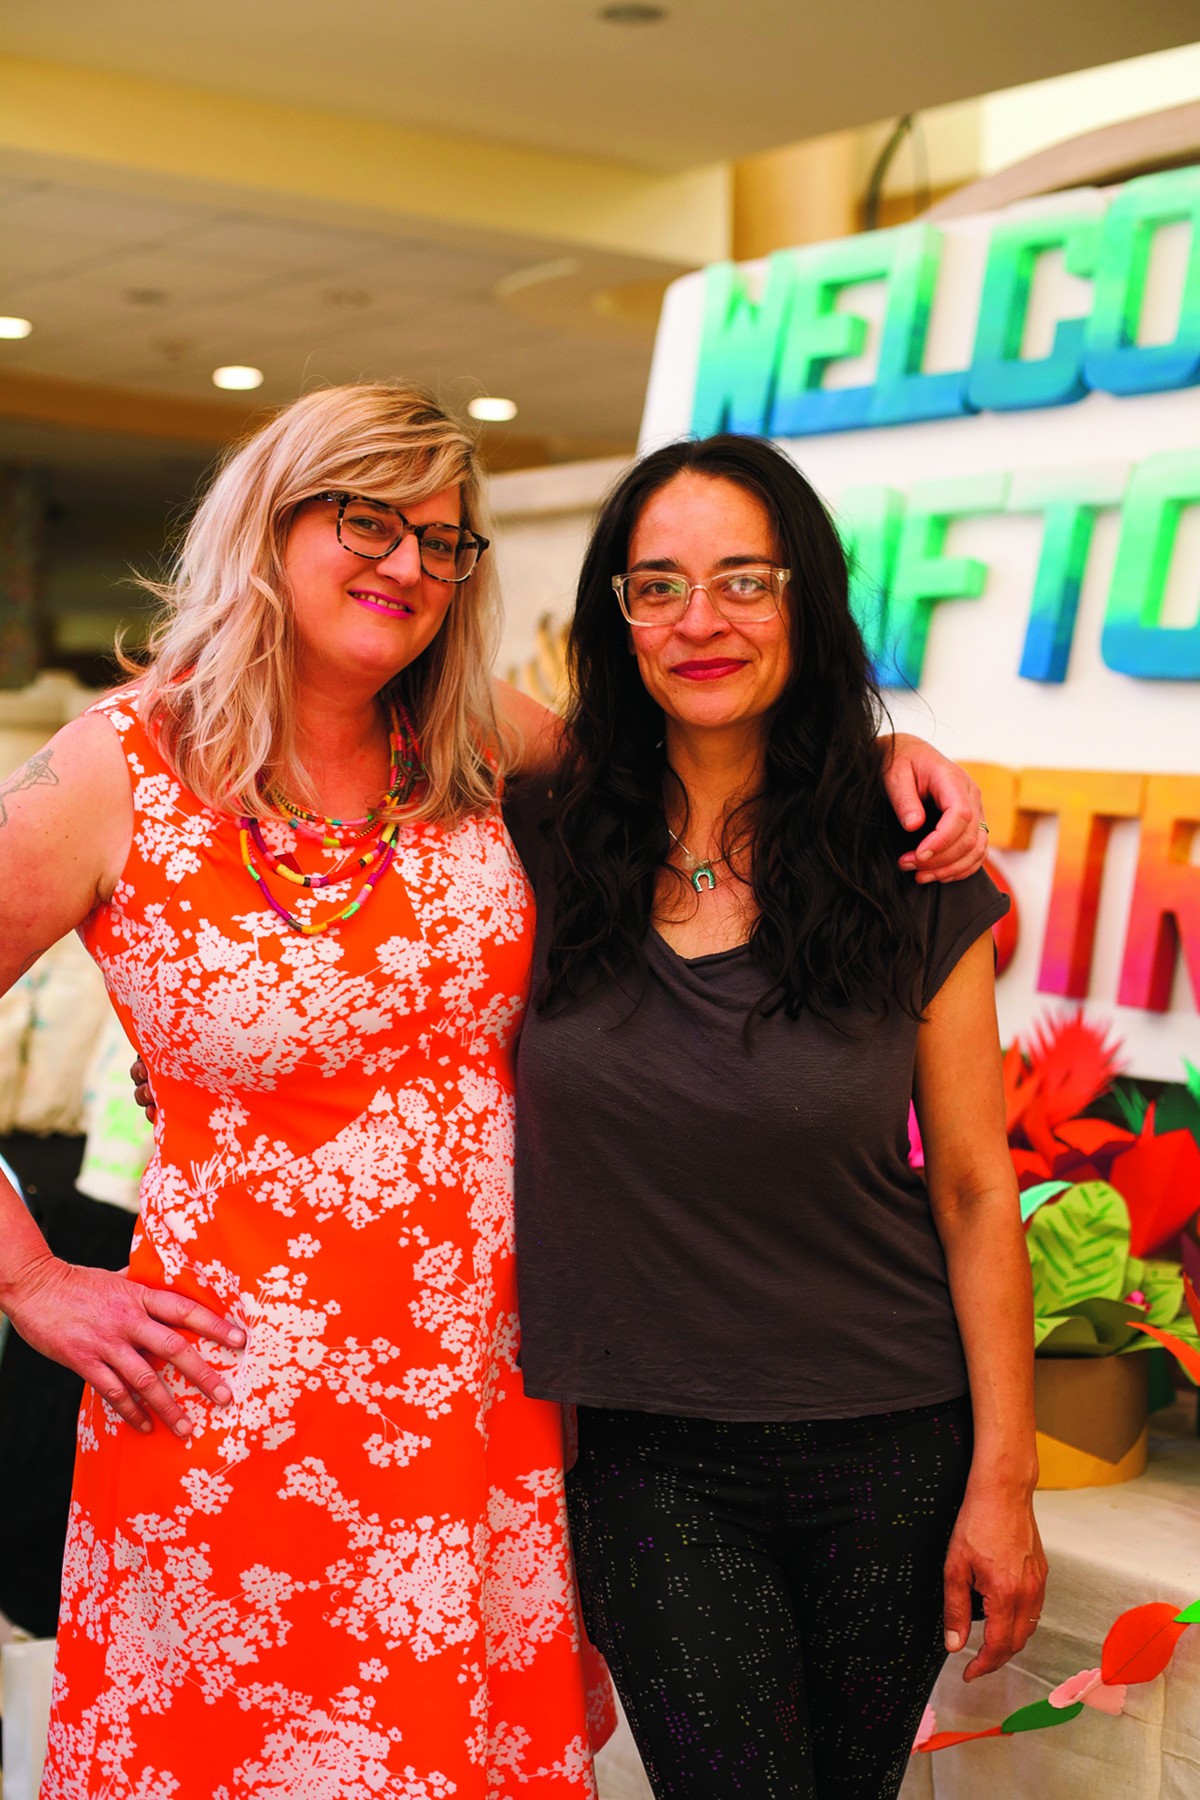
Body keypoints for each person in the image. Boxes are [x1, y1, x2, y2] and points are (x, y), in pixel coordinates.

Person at [1, 384, 980, 1799]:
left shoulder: (466, 734)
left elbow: (693, 768)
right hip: (235, 1411)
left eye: (443, 540)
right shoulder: (121, 768)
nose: (408, 564)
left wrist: (875, 757)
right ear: (267, 526)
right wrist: (34, 1280)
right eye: (367, 521)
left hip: (482, 1410)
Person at [504, 433, 1046, 1800]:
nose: (701, 621)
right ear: (616, 617)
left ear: (808, 599)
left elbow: (975, 1186)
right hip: (646, 1453)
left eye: (745, 580)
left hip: (891, 1442)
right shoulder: (537, 837)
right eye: (659, 586)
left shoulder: (906, 853)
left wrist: (1006, 1481)